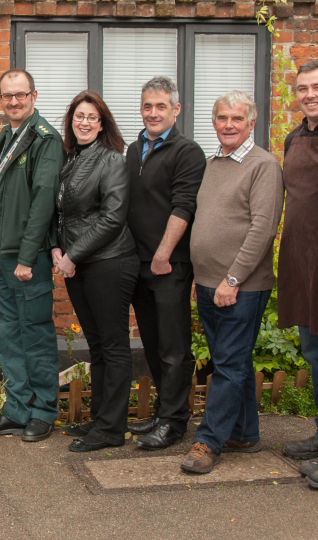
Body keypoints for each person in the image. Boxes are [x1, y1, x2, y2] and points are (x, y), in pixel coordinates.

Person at [181, 91, 283, 474]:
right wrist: (205, 278)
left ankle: (208, 441)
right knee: (234, 361)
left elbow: (262, 228)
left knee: (226, 364)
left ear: (252, 123)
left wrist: (232, 278)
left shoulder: (264, 166)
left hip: (242, 286)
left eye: (237, 119)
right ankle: (244, 433)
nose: (228, 125)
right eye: (222, 117)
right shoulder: (213, 164)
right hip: (209, 283)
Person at [0, 69, 64, 443]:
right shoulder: (8, 135)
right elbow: (5, 182)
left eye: (20, 95)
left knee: (36, 335)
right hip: (1, 253)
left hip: (28, 259)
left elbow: (42, 201)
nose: (13, 101)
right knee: (10, 334)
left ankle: (43, 412)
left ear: (33, 96)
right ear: (0, 98)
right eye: (7, 96)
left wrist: (26, 258)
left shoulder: (45, 140)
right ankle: (17, 409)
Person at [52, 91, 138, 452]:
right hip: (79, 264)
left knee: (114, 346)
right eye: (78, 116)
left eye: (92, 117)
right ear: (71, 122)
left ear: (102, 124)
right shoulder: (71, 159)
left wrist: (72, 255)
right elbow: (62, 212)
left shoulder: (111, 160)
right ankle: (99, 421)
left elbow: (112, 217)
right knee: (98, 346)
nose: (84, 122)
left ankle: (111, 430)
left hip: (110, 262)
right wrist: (57, 247)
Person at [126, 76, 207, 450]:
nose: (153, 113)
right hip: (138, 264)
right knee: (155, 343)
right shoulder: (133, 150)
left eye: (161, 106)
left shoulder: (187, 152)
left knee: (174, 347)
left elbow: (184, 206)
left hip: (169, 264)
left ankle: (175, 422)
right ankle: (163, 412)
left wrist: (162, 254)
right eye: (147, 106)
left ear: (176, 109)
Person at [278, 60, 318, 482]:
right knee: (312, 351)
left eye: (316, 87)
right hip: (302, 259)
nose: (310, 94)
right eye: (303, 88)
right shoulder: (294, 137)